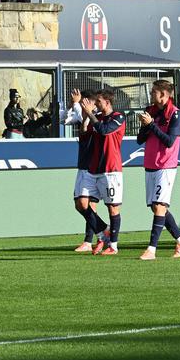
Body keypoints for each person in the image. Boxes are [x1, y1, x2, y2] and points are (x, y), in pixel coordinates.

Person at [135, 80, 180, 260]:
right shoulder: (151, 111)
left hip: (166, 165)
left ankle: (151, 249)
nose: (151, 95)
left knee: (159, 206)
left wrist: (151, 125)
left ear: (164, 95)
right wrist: (145, 125)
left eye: (154, 92)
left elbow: (169, 141)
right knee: (155, 207)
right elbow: (140, 139)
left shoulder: (175, 114)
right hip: (150, 163)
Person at [80, 89, 126, 255]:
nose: (96, 104)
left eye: (98, 102)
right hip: (94, 169)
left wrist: (90, 115)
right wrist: (86, 117)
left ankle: (113, 246)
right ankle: (103, 232)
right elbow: (84, 135)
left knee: (113, 208)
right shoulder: (96, 117)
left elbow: (104, 130)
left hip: (111, 169)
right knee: (81, 203)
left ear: (107, 102)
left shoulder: (118, 117)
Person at [67, 89, 109, 253]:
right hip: (83, 164)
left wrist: (80, 106)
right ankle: (102, 231)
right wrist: (76, 106)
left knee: (89, 203)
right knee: (80, 204)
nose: (85, 105)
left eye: (87, 102)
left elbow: (99, 130)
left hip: (94, 167)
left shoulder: (99, 118)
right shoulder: (86, 117)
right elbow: (69, 120)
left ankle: (97, 238)